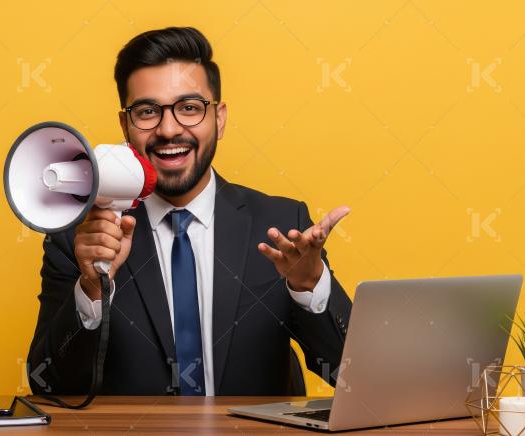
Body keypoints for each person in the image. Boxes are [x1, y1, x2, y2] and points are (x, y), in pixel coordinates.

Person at [28, 27, 352, 396]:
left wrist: (310, 286)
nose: (168, 130)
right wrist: (91, 288)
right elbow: (48, 384)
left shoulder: (280, 225)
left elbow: (353, 377)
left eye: (189, 108)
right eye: (147, 111)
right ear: (125, 126)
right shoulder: (79, 238)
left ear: (220, 118)